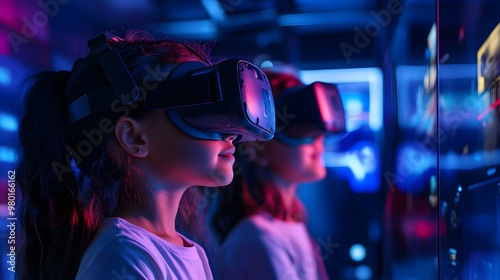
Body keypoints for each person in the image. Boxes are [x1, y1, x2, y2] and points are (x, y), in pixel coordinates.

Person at [16, 30, 275, 279]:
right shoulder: (124, 257)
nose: (230, 134)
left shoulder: (189, 251)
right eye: (201, 109)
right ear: (134, 137)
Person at [211, 71, 345, 280]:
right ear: (257, 148)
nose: (319, 137)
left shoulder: (290, 226)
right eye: (299, 125)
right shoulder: (259, 238)